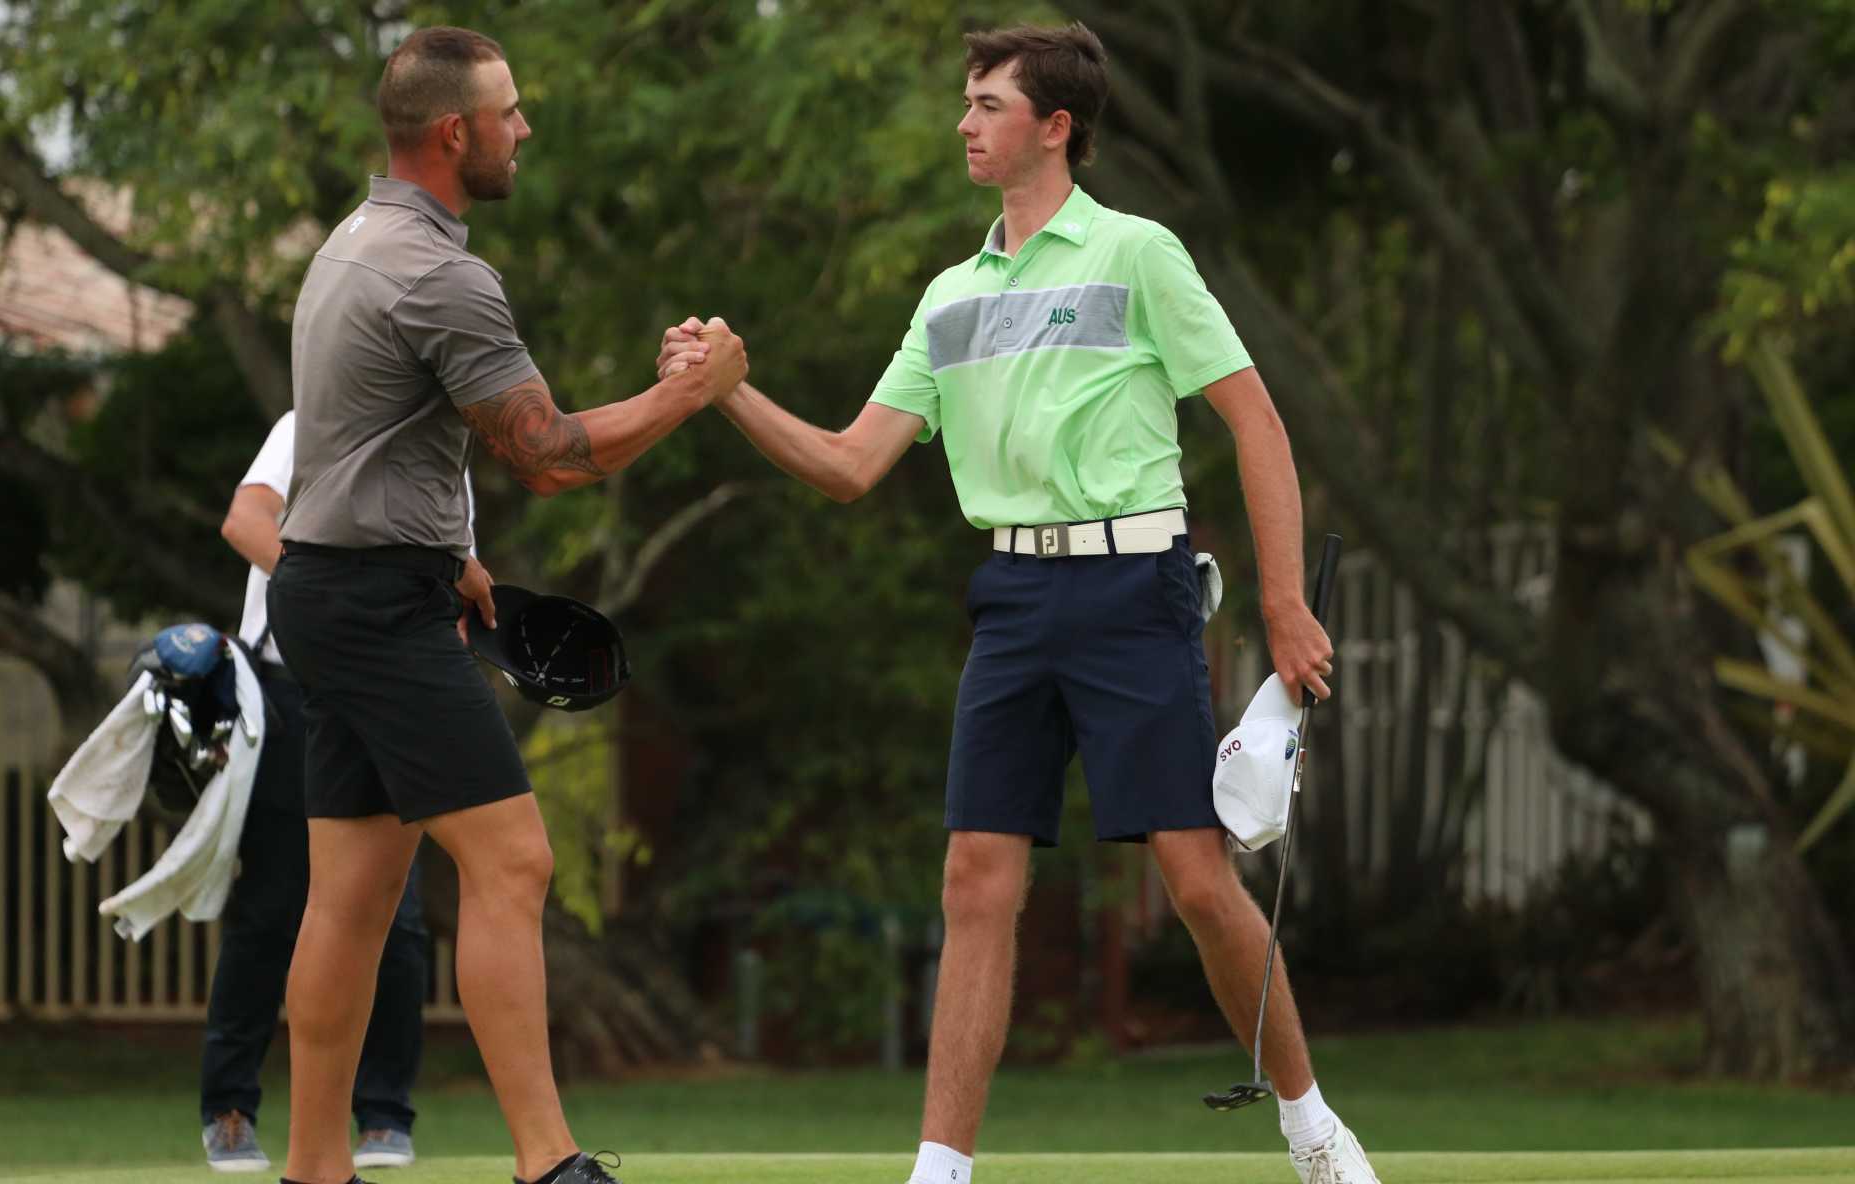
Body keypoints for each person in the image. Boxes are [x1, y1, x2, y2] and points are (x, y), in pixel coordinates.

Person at [656, 22, 1379, 1184]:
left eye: (989, 102)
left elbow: (1256, 421)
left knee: (1196, 879)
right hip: (1011, 596)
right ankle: (940, 1168)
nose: (964, 121)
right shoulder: (948, 295)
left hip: (1133, 587)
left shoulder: (1137, 252)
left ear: (1056, 126)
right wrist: (728, 395)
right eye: (966, 100)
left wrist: (1285, 606)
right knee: (973, 877)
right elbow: (848, 465)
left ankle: (1309, 1125)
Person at [266, 25, 746, 1184]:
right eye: (509, 112)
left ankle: (312, 1169)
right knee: (516, 860)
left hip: (330, 585)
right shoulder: (442, 273)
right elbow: (553, 456)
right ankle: (548, 1163)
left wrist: (449, 552)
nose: (523, 129)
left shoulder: (351, 243)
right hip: (375, 605)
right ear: (453, 132)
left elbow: (371, 440)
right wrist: (695, 390)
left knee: (353, 892)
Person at [201, 410, 428, 1174]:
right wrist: (337, 602)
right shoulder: (314, 420)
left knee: (396, 914)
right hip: (291, 685)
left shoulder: (445, 431)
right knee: (273, 905)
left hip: (396, 687)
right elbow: (245, 519)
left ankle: (385, 1116)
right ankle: (230, 1110)